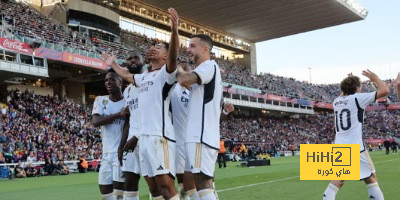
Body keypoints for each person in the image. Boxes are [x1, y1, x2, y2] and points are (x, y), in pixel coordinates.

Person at [103, 8, 180, 200]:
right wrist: (113, 64)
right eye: (154, 46)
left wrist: (174, 30)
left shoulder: (166, 74)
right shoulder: (143, 78)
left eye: (160, 47)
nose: (155, 48)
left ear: (165, 56)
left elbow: (173, 54)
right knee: (153, 189)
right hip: (144, 140)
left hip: (159, 137)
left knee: (166, 186)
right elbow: (127, 75)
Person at [322, 70, 389, 200]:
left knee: (338, 179)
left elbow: (345, 94)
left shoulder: (336, 101)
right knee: (371, 178)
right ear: (357, 88)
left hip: (339, 146)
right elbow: (385, 90)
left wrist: (349, 81)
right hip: (355, 147)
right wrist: (374, 78)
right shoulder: (358, 98)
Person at [177, 33, 222, 200]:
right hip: (199, 135)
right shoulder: (206, 69)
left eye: (192, 46)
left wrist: (174, 66)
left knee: (203, 184)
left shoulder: (208, 66)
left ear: (206, 49)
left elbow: (183, 80)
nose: (188, 49)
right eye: (188, 46)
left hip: (200, 136)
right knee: (197, 183)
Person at [92, 70, 127, 200]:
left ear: (120, 81)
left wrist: (121, 148)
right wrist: (119, 114)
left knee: (120, 194)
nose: (108, 82)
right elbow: (96, 122)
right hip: (106, 154)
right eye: (106, 80)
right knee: (105, 193)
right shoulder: (100, 100)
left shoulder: (127, 100)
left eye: (112, 79)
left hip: (122, 152)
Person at [118, 51, 145, 200]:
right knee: (129, 184)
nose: (132, 60)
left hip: (148, 138)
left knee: (157, 184)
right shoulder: (127, 90)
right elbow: (129, 120)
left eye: (136, 57)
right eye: (129, 58)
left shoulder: (149, 81)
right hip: (130, 143)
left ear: (144, 61)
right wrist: (121, 146)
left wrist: (137, 137)